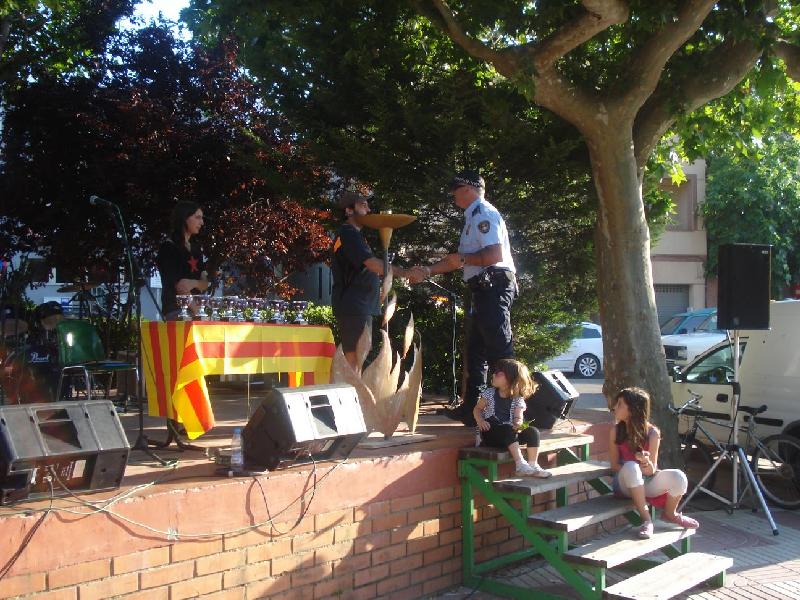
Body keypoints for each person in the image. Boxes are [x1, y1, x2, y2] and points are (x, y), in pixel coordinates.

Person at [409, 170, 517, 426]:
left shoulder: (484, 214)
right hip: (483, 289)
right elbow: (457, 260)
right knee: (476, 352)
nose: (452, 194)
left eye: (455, 189)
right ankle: (472, 409)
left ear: (468, 189)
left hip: (494, 285)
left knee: (499, 350)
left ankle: (506, 413)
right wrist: (427, 271)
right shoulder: (472, 217)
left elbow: (494, 255)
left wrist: (464, 259)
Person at [331, 191, 408, 372]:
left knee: (360, 356)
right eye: (363, 205)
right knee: (355, 359)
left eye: (368, 205)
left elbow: (366, 267)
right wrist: (405, 272)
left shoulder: (355, 235)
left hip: (359, 306)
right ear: (349, 210)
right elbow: (372, 264)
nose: (369, 209)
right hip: (354, 306)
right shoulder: (348, 233)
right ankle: (353, 390)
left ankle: (355, 389)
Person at [610, 387, 700, 539]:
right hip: (624, 484)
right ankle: (647, 520)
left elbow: (651, 471)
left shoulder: (653, 433)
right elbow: (614, 466)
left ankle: (670, 513)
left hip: (646, 481)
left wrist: (645, 463)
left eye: (620, 404)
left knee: (679, 476)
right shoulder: (615, 431)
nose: (614, 407)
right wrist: (637, 468)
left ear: (633, 409)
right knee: (631, 467)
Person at [473, 359, 552, 478]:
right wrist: (480, 421)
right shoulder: (489, 393)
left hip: (509, 436)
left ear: (510, 379)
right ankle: (520, 465)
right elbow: (477, 409)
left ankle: (533, 464)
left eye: (498, 373)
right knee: (507, 429)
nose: (493, 375)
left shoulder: (517, 398)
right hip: (491, 434)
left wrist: (518, 422)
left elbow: (518, 415)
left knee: (533, 431)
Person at [156, 201, 210, 320]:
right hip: (177, 311)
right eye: (197, 217)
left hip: (196, 311)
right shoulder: (169, 248)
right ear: (185, 218)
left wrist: (194, 283)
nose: (201, 222)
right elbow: (180, 287)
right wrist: (198, 312)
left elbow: (205, 283)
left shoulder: (196, 248)